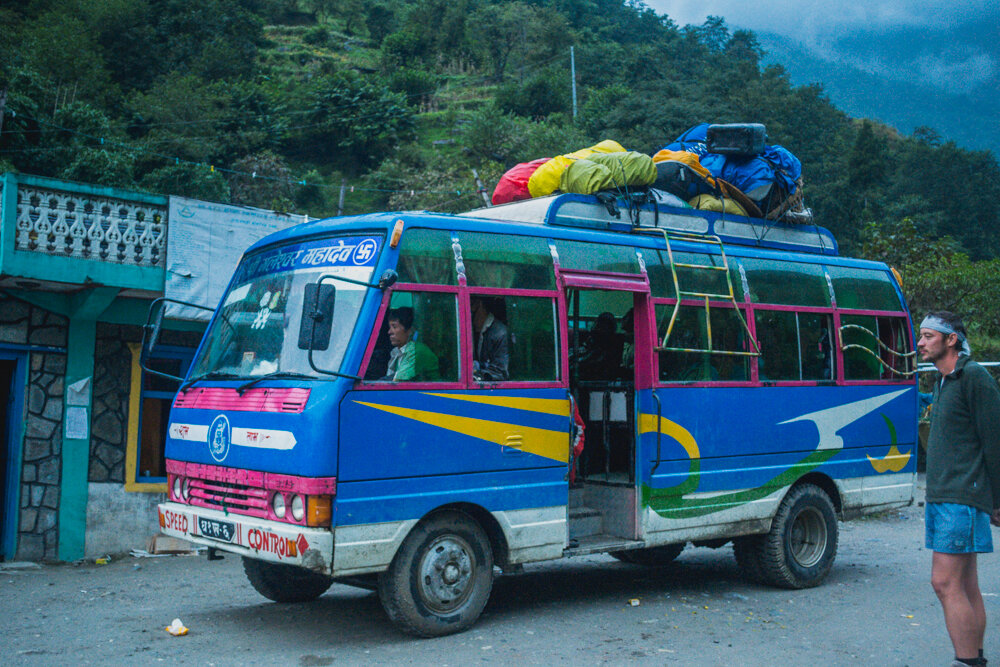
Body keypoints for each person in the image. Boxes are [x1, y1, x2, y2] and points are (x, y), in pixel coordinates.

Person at [917, 311, 1000, 667]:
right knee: (964, 585)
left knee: (944, 583)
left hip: (962, 496)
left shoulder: (974, 377)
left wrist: (997, 500)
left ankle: (966, 662)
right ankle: (975, 658)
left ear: (951, 339)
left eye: (928, 336)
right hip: (942, 495)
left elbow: (995, 440)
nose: (920, 343)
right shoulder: (943, 381)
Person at [381, 307, 439, 382]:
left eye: (394, 327)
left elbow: (395, 382)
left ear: (410, 330)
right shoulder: (397, 352)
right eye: (390, 327)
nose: (389, 332)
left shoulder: (417, 351)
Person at [471, 296, 509, 381]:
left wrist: (477, 374)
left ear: (479, 304)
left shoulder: (499, 333)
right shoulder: (471, 330)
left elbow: (500, 372)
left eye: (471, 307)